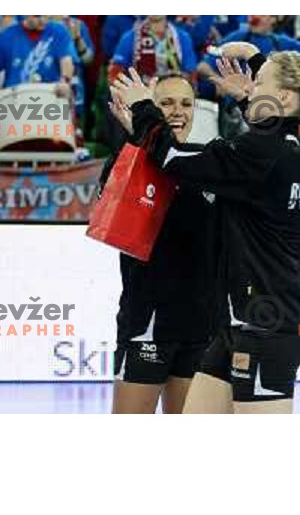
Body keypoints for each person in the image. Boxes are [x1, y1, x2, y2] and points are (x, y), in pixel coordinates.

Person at [111, 43, 300, 414]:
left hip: (267, 322)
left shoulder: (260, 151)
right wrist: (257, 62)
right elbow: (274, 124)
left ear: (284, 97)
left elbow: (175, 159)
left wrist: (145, 106)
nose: (251, 86)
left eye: (259, 81)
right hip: (242, 320)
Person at [105, 74, 220, 414]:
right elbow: (113, 225)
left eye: (186, 104)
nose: (178, 111)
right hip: (147, 324)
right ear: (150, 108)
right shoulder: (128, 160)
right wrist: (139, 139)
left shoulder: (208, 162)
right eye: (166, 103)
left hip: (201, 326)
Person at [0, 16, 74, 97]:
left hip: (51, 98)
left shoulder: (59, 31)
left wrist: (65, 80)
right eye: (37, 16)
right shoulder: (6, 36)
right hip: (16, 101)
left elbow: (66, 59)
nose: (42, 20)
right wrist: (1, 97)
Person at [108, 15, 198, 85]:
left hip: (173, 95)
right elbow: (115, 74)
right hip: (141, 98)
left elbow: (191, 74)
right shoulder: (130, 37)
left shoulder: (182, 37)